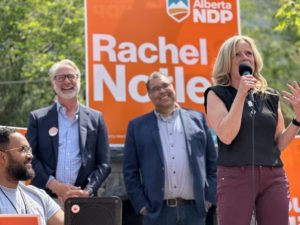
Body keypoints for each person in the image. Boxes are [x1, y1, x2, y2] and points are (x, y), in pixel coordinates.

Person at [204, 35, 300, 225]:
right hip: (234, 175)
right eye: (237, 54)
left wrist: (297, 120)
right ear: (227, 61)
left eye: (249, 53)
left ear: (255, 59)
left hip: (273, 175)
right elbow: (226, 135)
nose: (244, 58)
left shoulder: (270, 96)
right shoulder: (216, 94)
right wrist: (240, 94)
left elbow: (278, 143)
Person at [123, 71, 217, 225]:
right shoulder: (137, 127)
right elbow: (130, 172)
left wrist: (209, 198)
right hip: (158, 214)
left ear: (173, 87)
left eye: (165, 85)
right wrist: (142, 207)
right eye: (155, 89)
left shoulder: (197, 119)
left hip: (194, 211)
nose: (162, 91)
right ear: (149, 95)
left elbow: (212, 162)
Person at [26, 59, 111, 203]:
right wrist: (54, 185)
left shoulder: (95, 118)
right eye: (60, 77)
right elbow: (29, 156)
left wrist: (87, 191)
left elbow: (104, 163)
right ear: (53, 84)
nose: (66, 82)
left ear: (79, 80)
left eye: (71, 76)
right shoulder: (38, 118)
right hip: (44, 199)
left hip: (83, 200)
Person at [0, 126, 64, 225]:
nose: (30, 155)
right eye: (22, 150)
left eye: (29, 150)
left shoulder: (38, 196)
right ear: (2, 157)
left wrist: (71, 211)